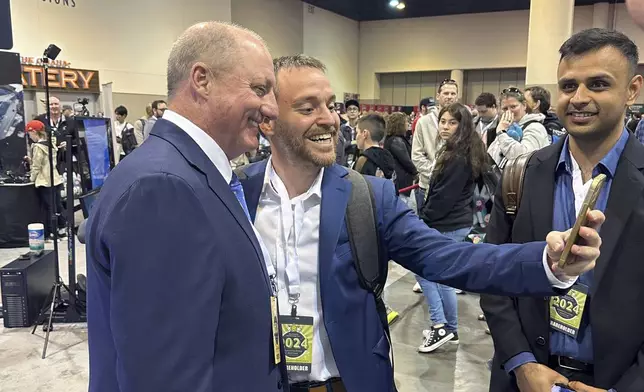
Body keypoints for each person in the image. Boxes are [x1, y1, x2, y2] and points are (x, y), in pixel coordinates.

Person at [238, 54, 604, 392]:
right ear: (268, 120)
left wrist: (547, 262)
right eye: (307, 108)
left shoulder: (368, 196)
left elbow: (449, 257)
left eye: (330, 105)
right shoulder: (235, 194)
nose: (330, 119)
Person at [85, 22, 285, 392]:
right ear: (201, 80)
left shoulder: (193, 173)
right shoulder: (163, 187)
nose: (272, 108)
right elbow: (165, 379)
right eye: (260, 89)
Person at [481, 28, 644, 392]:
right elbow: (494, 278)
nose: (579, 98)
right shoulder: (521, 175)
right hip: (527, 378)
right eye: (568, 86)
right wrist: (521, 363)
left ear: (632, 89)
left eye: (598, 84)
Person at [416, 103, 489, 353]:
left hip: (446, 223)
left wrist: (422, 219)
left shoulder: (459, 155)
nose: (445, 127)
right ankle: (451, 330)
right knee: (443, 278)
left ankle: (440, 326)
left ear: (463, 125)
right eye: (443, 121)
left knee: (424, 271)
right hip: (452, 222)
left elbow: (444, 197)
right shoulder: (458, 149)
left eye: (452, 122)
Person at [487, 87, 551, 168]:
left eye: (513, 107)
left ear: (524, 105)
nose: (509, 111)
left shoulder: (535, 127)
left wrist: (501, 133)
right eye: (505, 108)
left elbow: (524, 158)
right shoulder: (507, 127)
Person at [25, 120, 67, 240]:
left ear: (33, 132)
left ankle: (52, 233)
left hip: (44, 181)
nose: (29, 137)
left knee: (49, 207)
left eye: (29, 134)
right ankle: (62, 230)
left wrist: (32, 178)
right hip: (55, 178)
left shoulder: (38, 147)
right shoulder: (50, 144)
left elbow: (37, 166)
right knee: (58, 205)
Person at [383, 111, 417, 208]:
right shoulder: (396, 140)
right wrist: (416, 172)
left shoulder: (392, 139)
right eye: (406, 122)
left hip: (400, 181)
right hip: (401, 182)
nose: (408, 124)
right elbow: (406, 161)